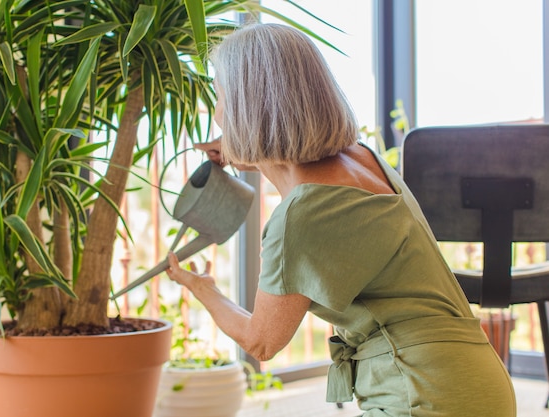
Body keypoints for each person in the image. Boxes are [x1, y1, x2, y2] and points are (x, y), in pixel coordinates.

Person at [165, 23, 516, 416]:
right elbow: (294, 169)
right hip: (478, 380)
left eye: (220, 96)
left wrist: (203, 288)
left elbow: (261, 341)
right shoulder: (365, 158)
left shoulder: (300, 216)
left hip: (420, 393)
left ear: (247, 106)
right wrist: (238, 149)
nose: (217, 113)